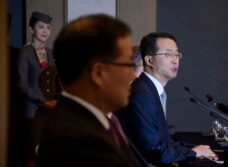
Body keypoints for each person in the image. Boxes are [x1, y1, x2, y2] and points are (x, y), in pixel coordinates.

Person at [35, 14, 149, 167]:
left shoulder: (99, 119)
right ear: (98, 73)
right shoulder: (80, 140)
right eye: (127, 65)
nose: (132, 75)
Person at [116, 32, 218, 166]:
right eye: (168, 54)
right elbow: (154, 150)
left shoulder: (149, 89)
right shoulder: (141, 94)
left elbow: (162, 142)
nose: (175, 60)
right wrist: (193, 153)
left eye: (177, 54)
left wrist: (192, 149)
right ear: (149, 60)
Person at [18, 11, 62, 167]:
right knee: (31, 156)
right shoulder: (25, 52)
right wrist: (42, 101)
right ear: (31, 29)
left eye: (48, 28)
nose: (45, 31)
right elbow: (22, 83)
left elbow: (57, 79)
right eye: (41, 27)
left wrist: (59, 99)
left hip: (50, 112)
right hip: (32, 111)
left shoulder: (51, 53)